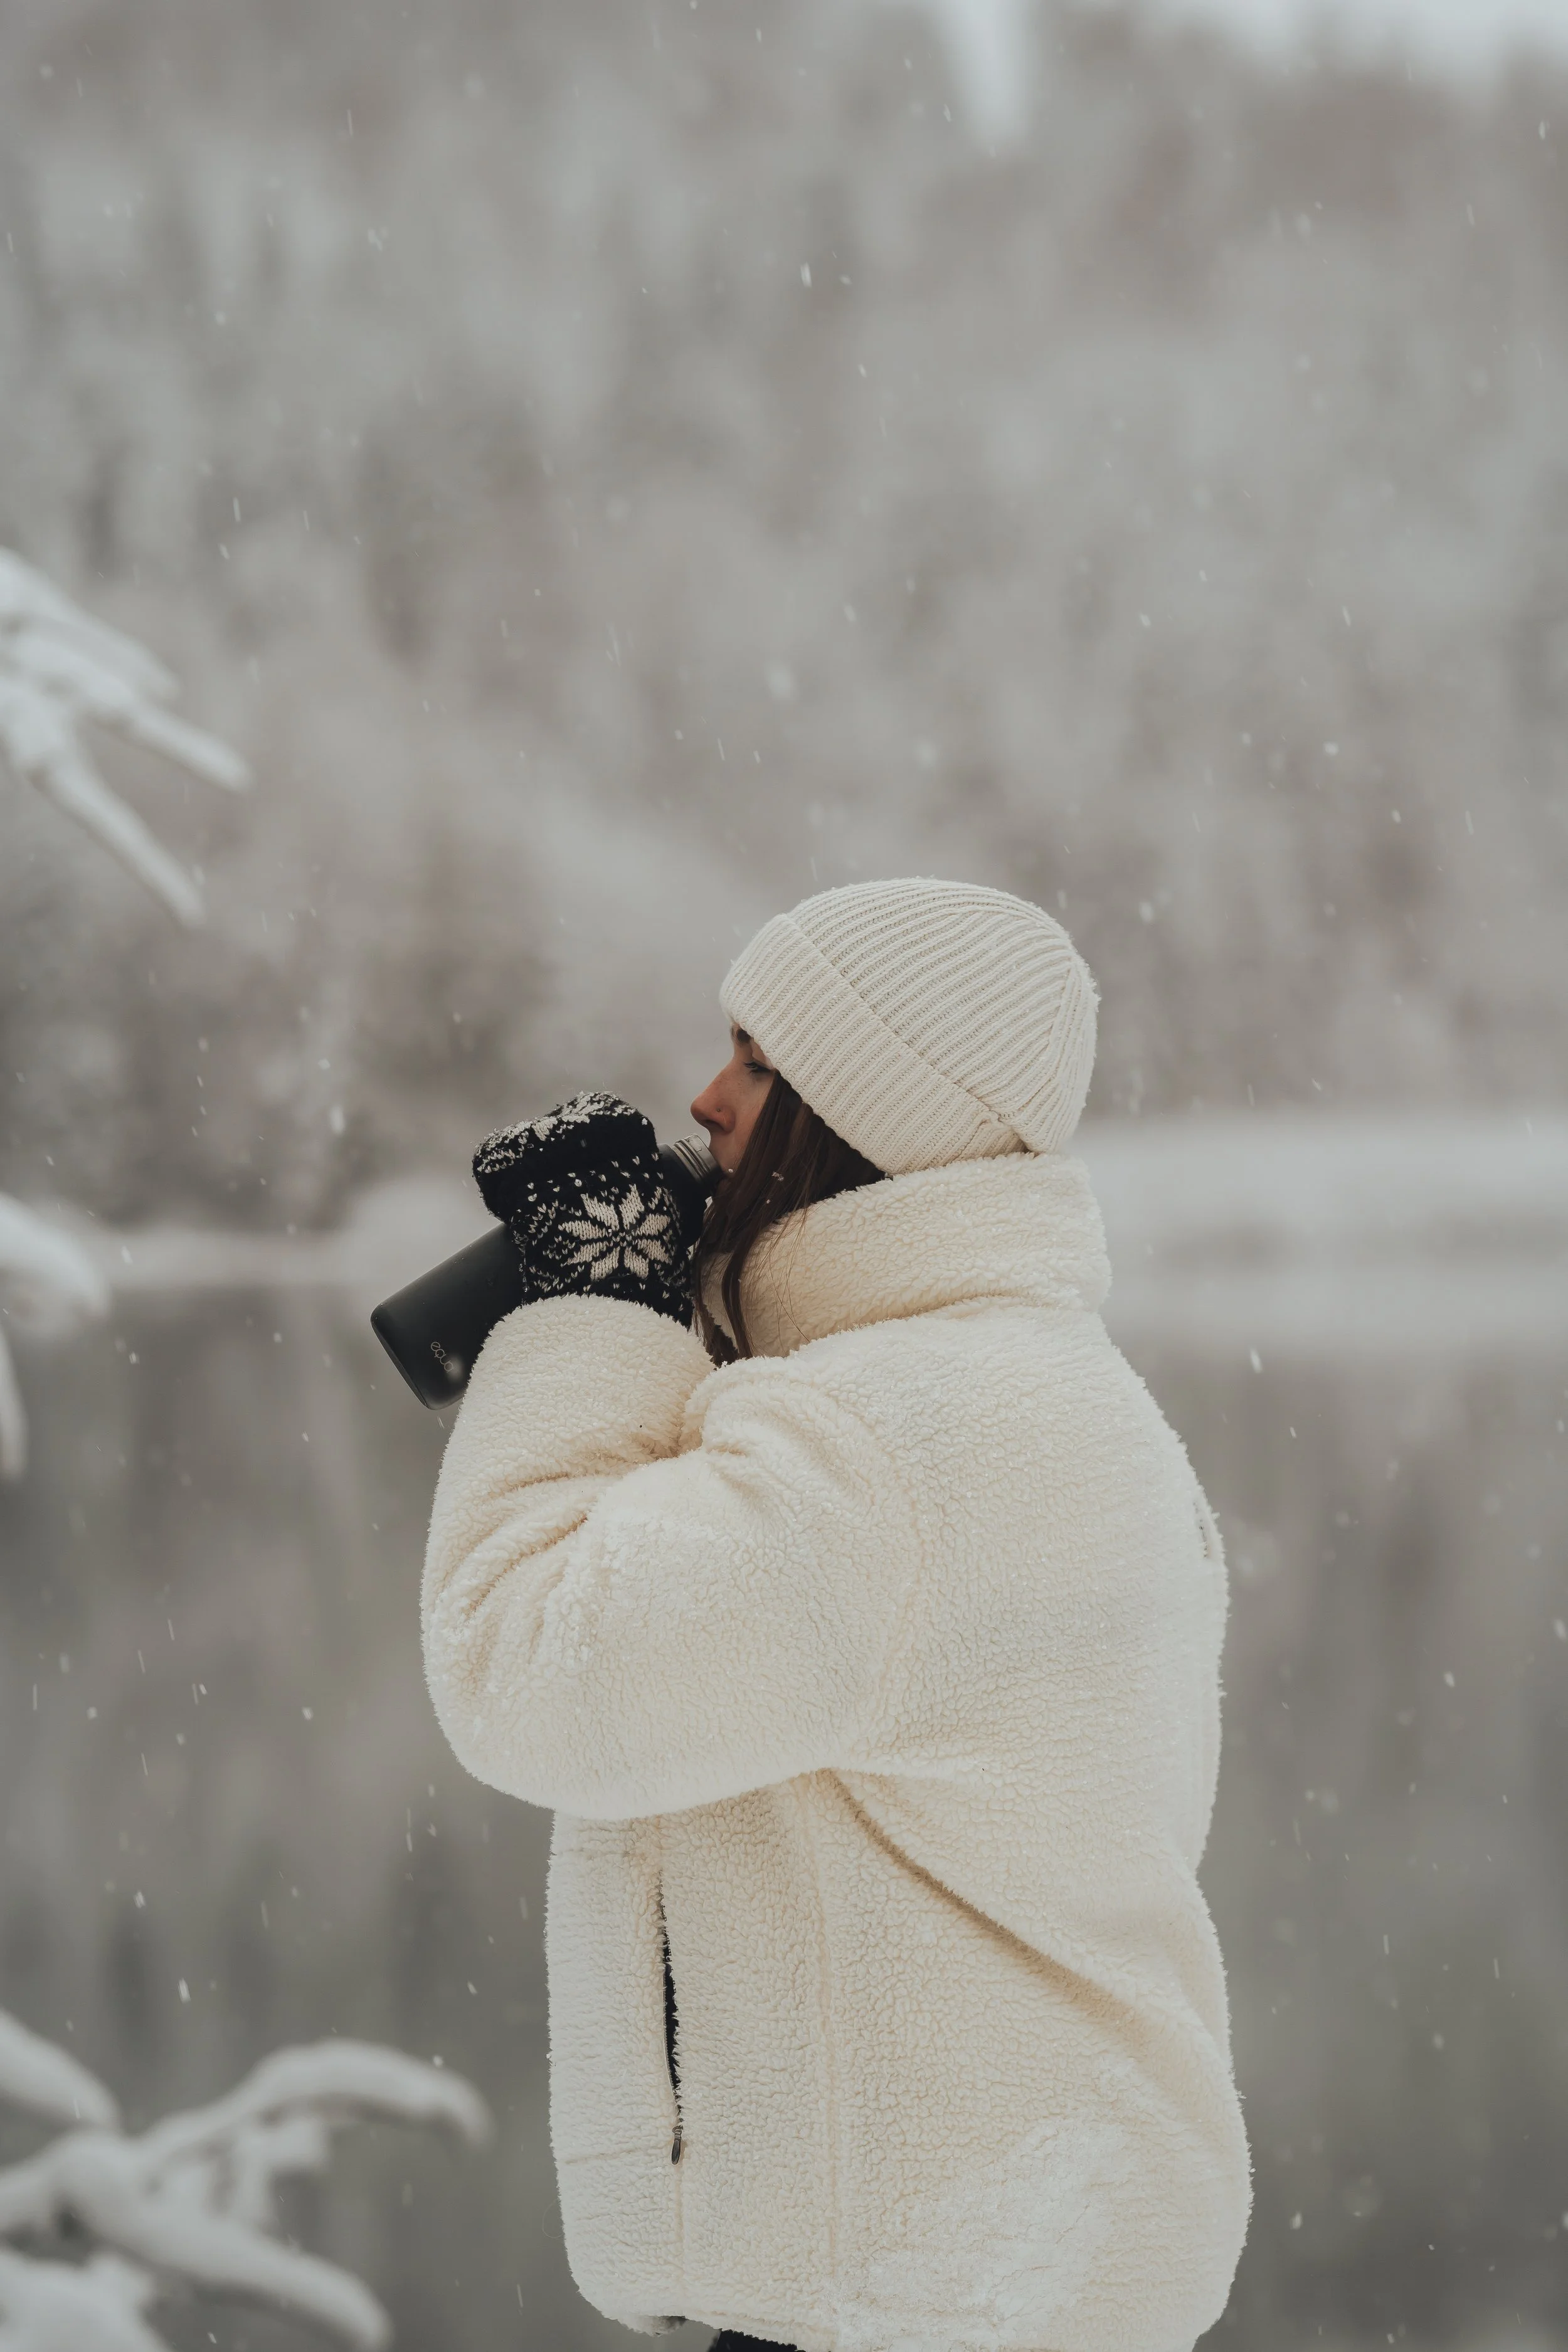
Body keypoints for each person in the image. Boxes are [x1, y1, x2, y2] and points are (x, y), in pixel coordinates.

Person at [421, 877, 1252, 2352]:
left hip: (917, 2287)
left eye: (753, 1059)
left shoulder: (885, 1445)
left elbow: (527, 1662)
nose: (703, 1096)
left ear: (859, 1105)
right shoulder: (1027, 1391)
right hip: (1015, 2256)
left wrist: (596, 1308)